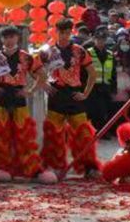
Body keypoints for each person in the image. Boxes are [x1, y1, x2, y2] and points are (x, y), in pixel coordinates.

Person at [0, 26, 54, 184]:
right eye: (6, 37)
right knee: (0, 135)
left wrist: (31, 91)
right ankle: (3, 168)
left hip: (19, 96)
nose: (9, 40)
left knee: (24, 135)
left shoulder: (27, 57)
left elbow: (42, 75)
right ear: (2, 39)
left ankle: (31, 168)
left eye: (12, 37)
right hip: (0, 97)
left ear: (17, 38)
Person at [41, 18, 101, 179]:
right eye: (62, 32)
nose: (65, 36)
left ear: (71, 32)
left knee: (83, 133)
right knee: (53, 133)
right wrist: (43, 84)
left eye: (68, 32)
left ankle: (89, 167)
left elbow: (93, 74)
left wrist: (86, 93)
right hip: (56, 94)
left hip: (75, 94)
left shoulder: (80, 51)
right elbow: (34, 69)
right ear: (56, 32)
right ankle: (54, 166)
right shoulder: (48, 51)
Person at [85, 28, 116, 133]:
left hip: (106, 87)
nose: (100, 42)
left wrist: (113, 88)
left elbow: (113, 72)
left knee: (104, 111)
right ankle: (94, 131)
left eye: (103, 39)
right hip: (93, 87)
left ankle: (102, 132)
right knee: (93, 111)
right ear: (94, 40)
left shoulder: (110, 54)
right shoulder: (88, 53)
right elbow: (84, 72)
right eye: (98, 39)